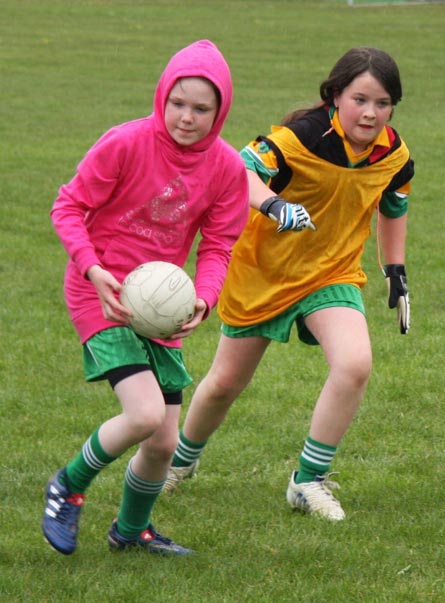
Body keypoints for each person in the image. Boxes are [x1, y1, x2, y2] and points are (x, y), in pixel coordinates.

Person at [164, 47, 414, 521]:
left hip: (331, 273)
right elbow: (239, 170)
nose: (370, 113)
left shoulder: (394, 154)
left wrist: (395, 272)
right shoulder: (300, 137)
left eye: (382, 103)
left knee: (355, 364)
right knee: (224, 385)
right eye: (360, 99)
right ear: (335, 95)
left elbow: (393, 207)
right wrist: (274, 206)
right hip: (264, 273)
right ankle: (178, 463)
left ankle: (308, 480)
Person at [41, 39, 249, 556]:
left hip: (162, 305)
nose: (186, 118)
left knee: (163, 443)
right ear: (162, 96)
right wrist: (92, 270)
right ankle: (67, 486)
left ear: (219, 111)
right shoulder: (125, 143)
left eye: (202, 109)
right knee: (142, 415)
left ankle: (131, 532)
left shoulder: (225, 168)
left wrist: (203, 299)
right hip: (103, 293)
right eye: (178, 103)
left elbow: (219, 244)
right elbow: (67, 207)